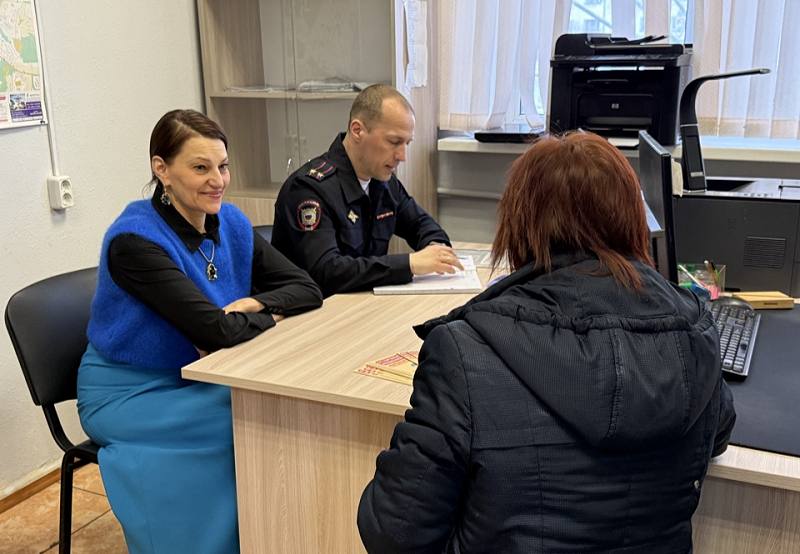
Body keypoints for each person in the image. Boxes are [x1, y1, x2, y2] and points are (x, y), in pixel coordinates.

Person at [357, 131, 735, 553]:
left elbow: (393, 533)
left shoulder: (463, 353)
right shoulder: (694, 330)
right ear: (633, 219)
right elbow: (718, 433)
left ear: (518, 224)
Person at [77, 109, 322, 554]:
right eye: (200, 167)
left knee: (277, 409)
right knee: (257, 421)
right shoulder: (135, 242)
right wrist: (271, 316)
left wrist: (255, 305)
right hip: (130, 391)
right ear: (162, 169)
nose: (217, 180)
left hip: (206, 373)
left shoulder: (230, 222)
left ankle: (273, 536)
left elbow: (306, 288)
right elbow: (217, 331)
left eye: (223, 166)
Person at [271, 84, 462, 297]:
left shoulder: (383, 182)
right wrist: (409, 264)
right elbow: (327, 272)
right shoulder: (309, 189)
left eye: (407, 143)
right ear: (357, 131)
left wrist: (436, 250)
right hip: (316, 311)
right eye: (394, 142)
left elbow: (421, 224)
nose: (402, 156)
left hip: (363, 305)